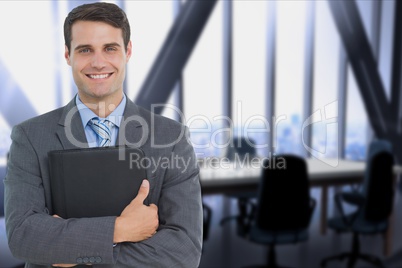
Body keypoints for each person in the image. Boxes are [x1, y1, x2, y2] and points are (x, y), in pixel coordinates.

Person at [4, 2, 203, 268]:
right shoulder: (29, 137)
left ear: (128, 51)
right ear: (67, 55)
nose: (98, 62)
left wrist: (69, 250)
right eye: (85, 50)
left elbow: (185, 250)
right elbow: (23, 237)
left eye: (110, 48)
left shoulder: (172, 137)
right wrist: (119, 230)